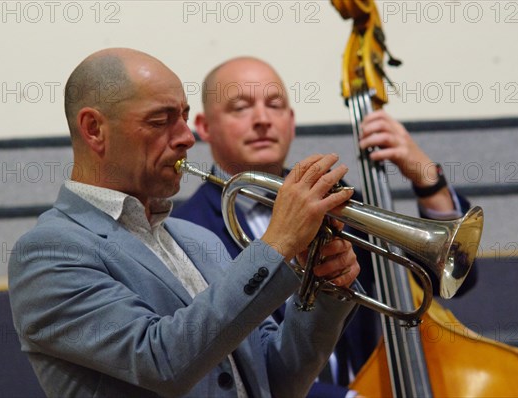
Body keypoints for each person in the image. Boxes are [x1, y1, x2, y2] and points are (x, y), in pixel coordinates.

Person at [8, 48, 364, 398]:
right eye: (160, 121)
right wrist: (276, 244)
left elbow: (275, 381)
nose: (186, 138)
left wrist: (322, 289)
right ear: (94, 129)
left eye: (183, 116)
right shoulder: (48, 251)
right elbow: (160, 361)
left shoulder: (195, 237)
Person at [172, 56, 475, 397]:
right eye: (240, 108)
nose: (261, 119)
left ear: (291, 120)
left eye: (275, 105)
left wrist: (426, 177)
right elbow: (215, 366)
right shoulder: (184, 232)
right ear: (204, 125)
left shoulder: (339, 204)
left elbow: (450, 276)